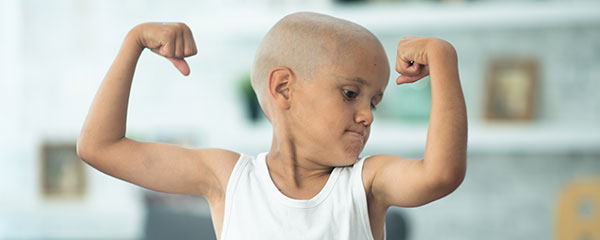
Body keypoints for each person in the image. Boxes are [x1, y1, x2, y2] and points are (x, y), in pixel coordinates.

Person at [77, 12, 467, 240]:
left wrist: (442, 58)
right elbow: (100, 147)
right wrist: (134, 42)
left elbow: (441, 173)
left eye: (374, 102)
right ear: (283, 88)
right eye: (351, 94)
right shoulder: (227, 178)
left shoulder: (366, 183)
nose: (367, 116)